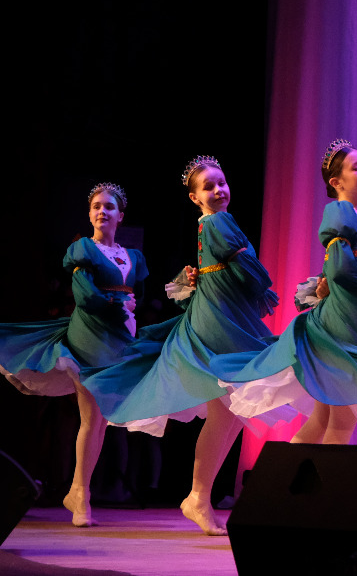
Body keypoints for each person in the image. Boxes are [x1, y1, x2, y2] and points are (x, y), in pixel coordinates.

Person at [81, 156, 281, 535]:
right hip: (218, 326)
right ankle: (198, 496)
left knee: (233, 414)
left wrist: (198, 279)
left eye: (221, 182)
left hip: (226, 319)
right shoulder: (217, 222)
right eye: (208, 186)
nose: (218, 190)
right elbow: (251, 276)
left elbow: (220, 277)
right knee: (228, 410)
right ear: (194, 197)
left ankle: (199, 496)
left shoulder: (215, 223)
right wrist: (250, 280)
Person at [212, 140, 357, 445]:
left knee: (324, 419)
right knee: (341, 419)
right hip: (347, 319)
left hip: (356, 313)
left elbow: (336, 267)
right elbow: (340, 268)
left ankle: (286, 474)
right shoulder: (340, 210)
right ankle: (322, 478)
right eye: (356, 168)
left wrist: (332, 282)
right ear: (337, 182)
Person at [0, 183, 146, 527]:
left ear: (120, 216)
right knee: (91, 416)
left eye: (109, 206)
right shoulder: (83, 249)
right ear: (90, 213)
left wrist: (132, 304)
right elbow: (86, 297)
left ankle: (79, 491)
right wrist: (119, 303)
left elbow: (136, 292)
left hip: (122, 335)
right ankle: (80, 494)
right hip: (91, 333)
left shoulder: (133, 256)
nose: (102, 211)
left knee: (101, 421)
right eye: (96, 206)